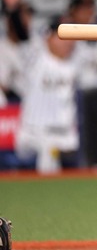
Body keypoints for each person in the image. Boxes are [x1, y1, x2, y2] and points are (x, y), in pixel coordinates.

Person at [14, 17, 80, 174]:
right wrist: (13, 9)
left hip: (65, 135)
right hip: (35, 134)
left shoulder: (76, 63)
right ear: (48, 37)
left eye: (71, 39)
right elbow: (22, 37)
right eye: (62, 37)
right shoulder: (36, 58)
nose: (68, 43)